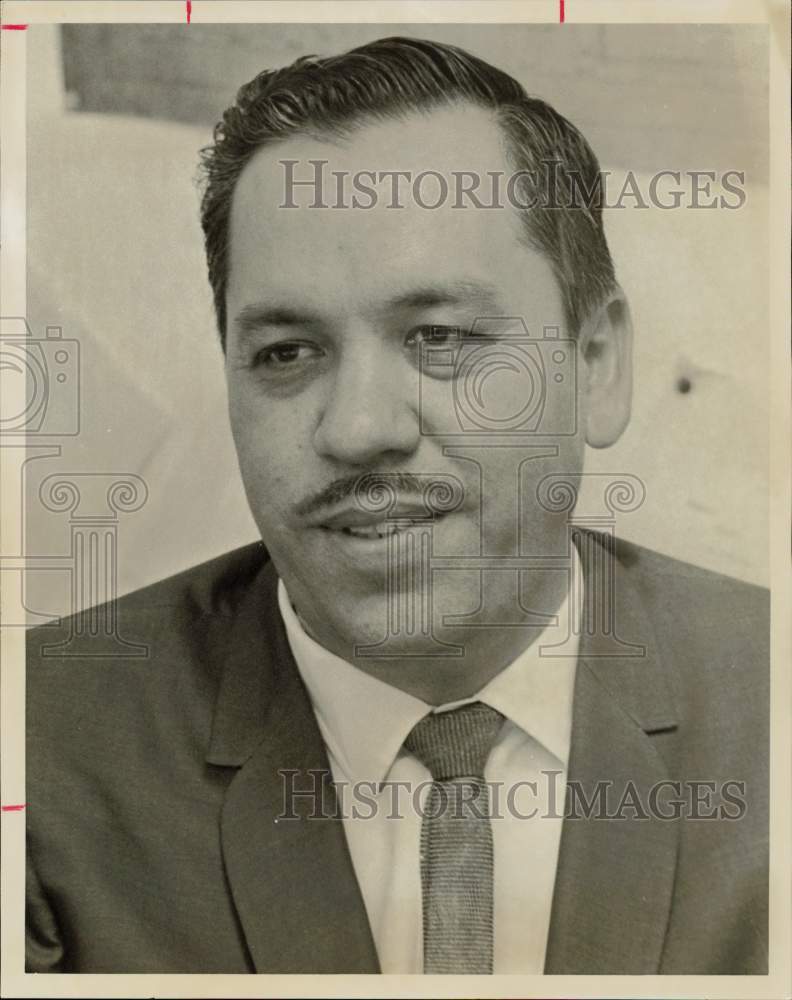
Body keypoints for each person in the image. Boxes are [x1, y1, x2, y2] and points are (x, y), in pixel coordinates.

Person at [26, 36, 768, 975]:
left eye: (442, 334)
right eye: (288, 353)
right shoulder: (40, 755)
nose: (360, 428)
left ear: (595, 365)